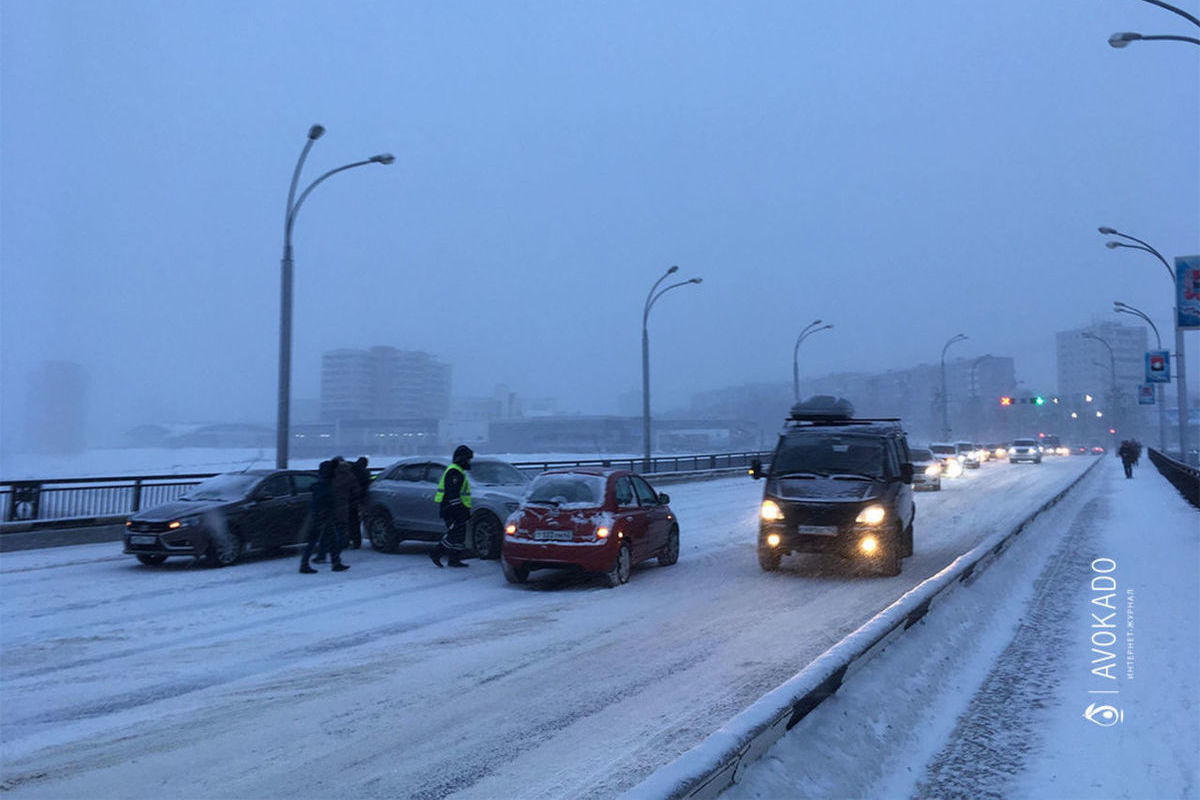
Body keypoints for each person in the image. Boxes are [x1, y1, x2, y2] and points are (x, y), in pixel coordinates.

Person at [300, 460, 349, 573]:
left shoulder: (321, 484)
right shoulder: (326, 485)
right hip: (324, 516)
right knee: (326, 540)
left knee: (323, 540)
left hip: (321, 515)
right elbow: (325, 501)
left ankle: (307, 563)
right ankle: (334, 563)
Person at [430, 444, 473, 568]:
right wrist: (459, 511)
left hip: (457, 508)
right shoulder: (454, 472)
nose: (469, 462)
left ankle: (454, 559)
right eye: (468, 459)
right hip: (452, 509)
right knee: (454, 533)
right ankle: (436, 553)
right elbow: (452, 494)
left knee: (460, 534)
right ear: (462, 459)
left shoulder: (457, 471)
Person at [314, 456, 357, 562]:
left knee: (326, 532)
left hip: (330, 506)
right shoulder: (349, 475)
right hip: (343, 506)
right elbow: (356, 491)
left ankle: (322, 555)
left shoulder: (331, 475)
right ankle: (336, 554)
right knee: (341, 531)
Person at [347, 456, 370, 549]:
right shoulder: (364, 473)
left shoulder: (351, 469)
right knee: (355, 521)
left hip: (347, 499)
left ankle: (347, 539)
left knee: (347, 521)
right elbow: (365, 485)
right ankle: (357, 541)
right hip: (357, 499)